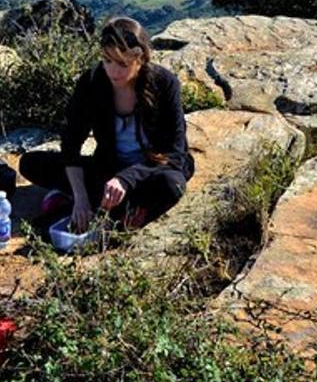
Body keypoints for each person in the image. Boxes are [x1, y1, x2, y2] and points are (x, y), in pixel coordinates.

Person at [19, 16, 194, 233]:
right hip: (108, 168)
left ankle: (108, 214)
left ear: (140, 59)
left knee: (171, 185)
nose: (113, 71)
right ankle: (101, 205)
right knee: (31, 163)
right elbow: (71, 143)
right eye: (107, 60)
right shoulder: (92, 82)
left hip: (151, 171)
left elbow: (175, 154)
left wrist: (125, 179)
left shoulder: (164, 83)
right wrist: (81, 197)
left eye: (122, 63)